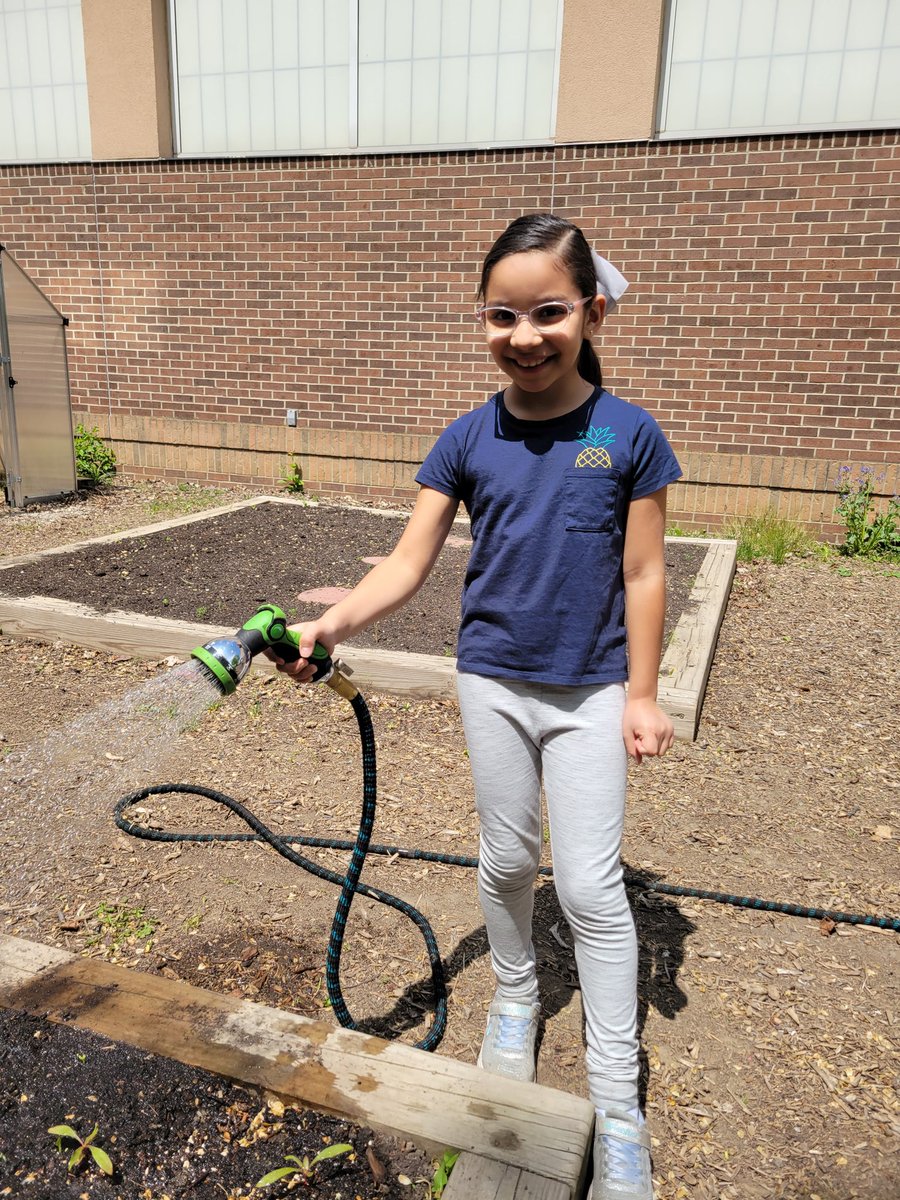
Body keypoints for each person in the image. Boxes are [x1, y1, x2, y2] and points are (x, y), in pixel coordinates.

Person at [276, 213, 681, 1200]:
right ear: (484, 321)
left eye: (549, 312)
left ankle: (616, 1104)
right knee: (505, 859)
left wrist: (639, 692)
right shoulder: (468, 436)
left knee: (588, 891)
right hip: (494, 682)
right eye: (504, 315)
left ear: (588, 311)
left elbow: (643, 573)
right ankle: (513, 993)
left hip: (589, 692)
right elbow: (409, 562)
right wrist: (338, 624)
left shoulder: (626, 436)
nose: (527, 335)